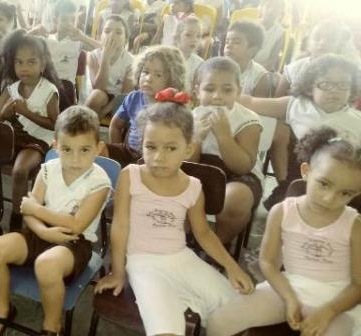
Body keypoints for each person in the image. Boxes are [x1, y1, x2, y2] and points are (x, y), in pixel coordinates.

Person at [95, 96, 253, 335]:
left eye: (170, 148)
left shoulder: (193, 186)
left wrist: (232, 266)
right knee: (166, 329)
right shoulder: (131, 175)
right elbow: (120, 226)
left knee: (238, 310)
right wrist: (118, 271)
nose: (159, 157)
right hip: (143, 263)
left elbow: (204, 234)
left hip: (181, 258)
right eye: (151, 147)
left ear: (188, 148)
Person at [207, 126, 361, 336]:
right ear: (306, 171)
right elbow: (268, 262)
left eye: (345, 193)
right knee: (219, 322)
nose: (329, 199)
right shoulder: (282, 211)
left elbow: (358, 285)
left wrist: (329, 311)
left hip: (337, 301)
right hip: (287, 288)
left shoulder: (354, 224)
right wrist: (289, 298)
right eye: (324, 184)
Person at [0, 106, 111, 336]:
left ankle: (52, 325)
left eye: (85, 150)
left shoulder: (99, 182)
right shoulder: (48, 169)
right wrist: (41, 230)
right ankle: (2, 311)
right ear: (55, 145)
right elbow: (28, 213)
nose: (75, 158)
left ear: (98, 148)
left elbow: (76, 225)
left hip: (73, 243)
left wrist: (36, 209)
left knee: (46, 266)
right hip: (40, 232)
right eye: (67, 149)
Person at [239, 54, 361, 209]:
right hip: (299, 181)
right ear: (310, 87)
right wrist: (224, 94)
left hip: (342, 189)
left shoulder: (357, 120)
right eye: (326, 84)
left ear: (352, 89)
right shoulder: (296, 106)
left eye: (343, 85)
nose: (335, 91)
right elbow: (252, 102)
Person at [0, 29, 62, 231]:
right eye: (19, 62)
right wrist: (5, 114)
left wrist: (26, 112)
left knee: (20, 171)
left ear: (43, 65)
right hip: (13, 136)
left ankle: (17, 216)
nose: (24, 68)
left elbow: (55, 125)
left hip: (38, 140)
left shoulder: (49, 90)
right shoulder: (10, 88)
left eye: (31, 62)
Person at [189, 57, 263, 245]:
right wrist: (196, 138)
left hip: (237, 177)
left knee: (236, 199)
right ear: (197, 91)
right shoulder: (190, 117)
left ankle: (217, 246)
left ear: (238, 91)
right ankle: (186, 237)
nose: (217, 96)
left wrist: (223, 136)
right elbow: (187, 164)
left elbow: (242, 167)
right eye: (209, 89)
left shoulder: (248, 120)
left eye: (227, 90)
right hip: (200, 170)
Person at [105, 45, 187, 167]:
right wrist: (119, 154)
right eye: (146, 72)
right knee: (100, 151)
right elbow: (115, 126)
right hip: (130, 154)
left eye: (158, 75)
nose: (148, 78)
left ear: (172, 80)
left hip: (158, 159)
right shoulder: (133, 98)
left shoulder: (174, 106)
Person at [85, 15, 134, 119]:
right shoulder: (93, 56)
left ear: (126, 39)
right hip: (101, 96)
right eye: (107, 31)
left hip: (120, 99)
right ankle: (82, 129)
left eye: (118, 32)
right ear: (100, 36)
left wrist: (102, 113)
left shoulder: (131, 61)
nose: (111, 35)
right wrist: (105, 58)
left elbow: (125, 94)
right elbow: (99, 87)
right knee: (96, 95)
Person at [224, 21, 271, 97]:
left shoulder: (259, 77)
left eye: (236, 42)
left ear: (252, 50)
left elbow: (257, 107)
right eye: (227, 41)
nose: (229, 46)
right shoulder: (216, 68)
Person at [254, 0, 286, 72]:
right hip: (244, 64)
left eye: (276, 8)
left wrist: (256, 72)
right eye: (268, 6)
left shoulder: (280, 33)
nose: (271, 10)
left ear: (280, 11)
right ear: (262, 7)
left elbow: (272, 60)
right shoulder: (252, 25)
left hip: (263, 70)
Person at [173, 15, 203, 92]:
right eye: (188, 35)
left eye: (198, 36)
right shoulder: (167, 57)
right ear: (177, 37)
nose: (194, 40)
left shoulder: (200, 64)